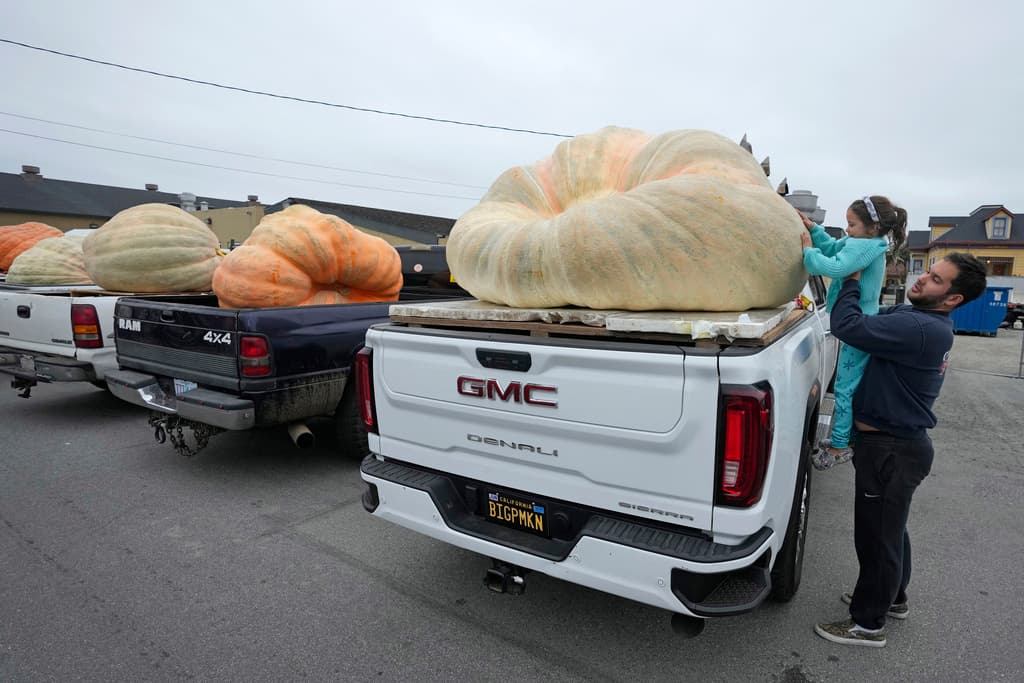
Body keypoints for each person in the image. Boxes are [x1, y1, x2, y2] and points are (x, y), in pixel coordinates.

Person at [814, 252, 988, 647]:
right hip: (895, 447)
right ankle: (893, 598)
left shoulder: (920, 328)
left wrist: (852, 277)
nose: (922, 278)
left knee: (877, 537)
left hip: (891, 449)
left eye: (936, 279)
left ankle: (867, 623)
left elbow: (847, 325)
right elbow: (869, 317)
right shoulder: (919, 319)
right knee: (890, 531)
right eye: (928, 271)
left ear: (953, 299)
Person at [798, 196, 907, 470]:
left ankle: (839, 447)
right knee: (850, 386)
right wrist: (814, 229)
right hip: (861, 323)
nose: (847, 229)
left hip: (859, 326)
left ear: (873, 227)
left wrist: (808, 251)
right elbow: (834, 248)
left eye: (852, 224)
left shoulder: (864, 246)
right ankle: (846, 437)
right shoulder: (865, 243)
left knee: (845, 389)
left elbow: (833, 267)